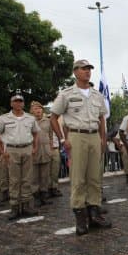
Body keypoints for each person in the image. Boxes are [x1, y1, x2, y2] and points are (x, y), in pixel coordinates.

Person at [50, 59, 111, 236]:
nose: (87, 71)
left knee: (95, 178)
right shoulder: (66, 94)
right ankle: (80, 217)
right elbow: (53, 117)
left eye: (89, 69)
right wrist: (63, 139)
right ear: (75, 72)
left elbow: (101, 118)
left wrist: (103, 138)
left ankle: (94, 214)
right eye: (83, 69)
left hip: (94, 136)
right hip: (76, 136)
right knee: (78, 178)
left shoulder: (97, 95)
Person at [0, 94, 40, 220]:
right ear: (11, 103)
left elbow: (36, 133)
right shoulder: (3, 118)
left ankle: (26, 206)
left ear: (24, 104)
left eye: (21, 101)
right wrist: (1, 152)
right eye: (16, 101)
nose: (18, 103)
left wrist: (35, 148)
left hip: (27, 148)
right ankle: (14, 207)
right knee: (14, 180)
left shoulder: (30, 118)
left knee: (27, 179)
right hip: (12, 150)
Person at [30, 101, 53, 207]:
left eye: (39, 108)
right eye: (35, 109)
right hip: (34, 150)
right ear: (31, 111)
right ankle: (36, 197)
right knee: (34, 176)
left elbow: (51, 135)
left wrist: (51, 148)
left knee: (45, 175)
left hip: (46, 149)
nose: (38, 110)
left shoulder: (48, 121)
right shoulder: (29, 122)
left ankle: (44, 195)